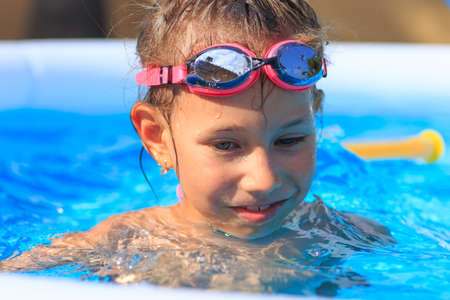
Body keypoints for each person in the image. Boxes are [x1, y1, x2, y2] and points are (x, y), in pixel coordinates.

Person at [0, 0, 394, 295]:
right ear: (158, 139)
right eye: (226, 144)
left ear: (315, 115)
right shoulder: (125, 241)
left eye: (290, 140)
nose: (264, 179)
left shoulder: (347, 235)